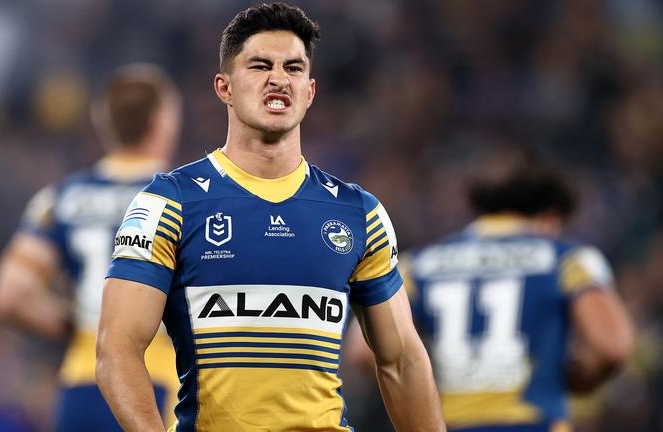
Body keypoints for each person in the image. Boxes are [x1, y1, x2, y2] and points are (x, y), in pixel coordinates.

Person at [96, 3, 444, 432]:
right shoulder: (170, 203)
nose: (279, 78)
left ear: (310, 92)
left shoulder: (359, 212)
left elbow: (402, 361)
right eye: (260, 65)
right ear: (224, 87)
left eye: (293, 68)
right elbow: (117, 348)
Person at [349, 148, 635, 432]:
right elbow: (610, 346)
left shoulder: (418, 265)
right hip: (533, 423)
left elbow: (364, 350)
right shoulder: (569, 259)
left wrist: (425, 389)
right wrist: (576, 380)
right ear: (550, 215)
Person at [0, 63, 182, 431]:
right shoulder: (185, 196)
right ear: (161, 121)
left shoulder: (64, 197)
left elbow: (10, 296)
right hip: (155, 383)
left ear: (104, 124)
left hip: (82, 380)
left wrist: (77, 325)